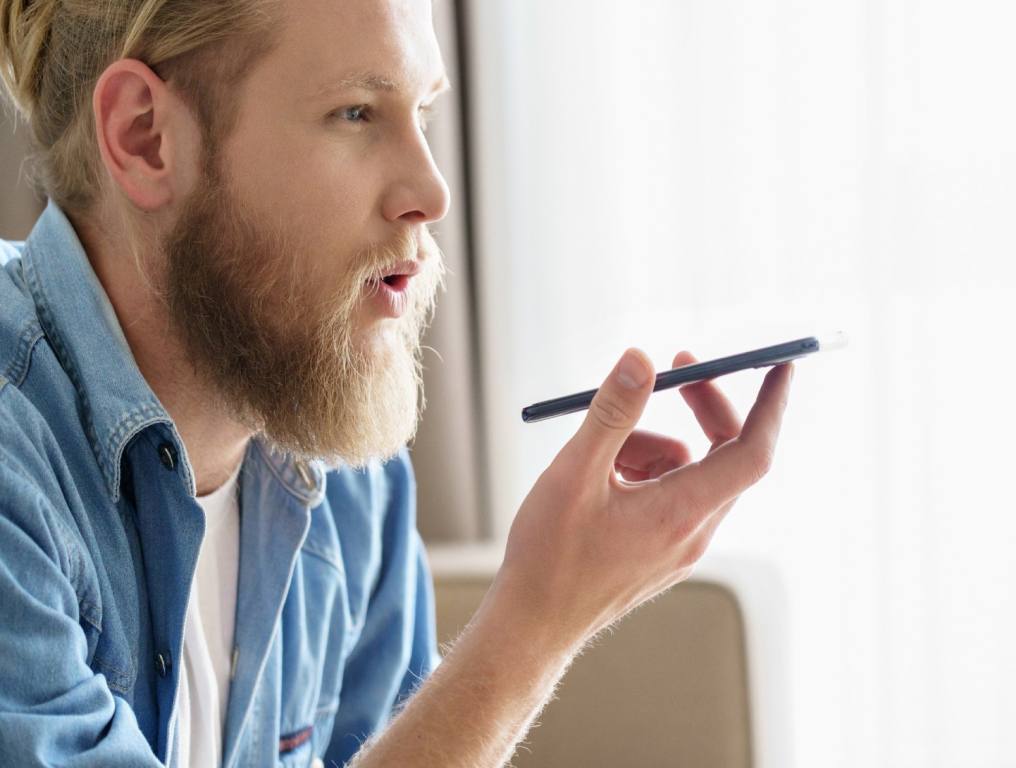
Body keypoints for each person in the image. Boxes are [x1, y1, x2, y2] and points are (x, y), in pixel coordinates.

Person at [0, 0, 794, 765]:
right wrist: (530, 631)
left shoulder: (336, 454)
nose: (431, 192)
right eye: (356, 113)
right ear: (145, 137)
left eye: (423, 112)